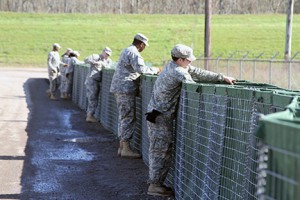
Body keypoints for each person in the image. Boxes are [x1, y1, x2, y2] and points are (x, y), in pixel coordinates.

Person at [146, 44, 236, 197]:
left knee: (159, 150)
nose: (190, 63)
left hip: (157, 114)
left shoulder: (173, 67)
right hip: (160, 117)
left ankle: (155, 182)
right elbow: (193, 85)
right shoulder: (178, 72)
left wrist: (221, 77)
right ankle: (155, 185)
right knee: (161, 151)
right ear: (180, 60)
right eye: (188, 60)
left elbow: (197, 72)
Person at [110, 33, 159, 159]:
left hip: (120, 88)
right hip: (125, 88)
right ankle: (125, 148)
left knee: (124, 116)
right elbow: (141, 69)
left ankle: (122, 146)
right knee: (128, 118)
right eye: (144, 46)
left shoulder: (127, 50)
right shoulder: (133, 52)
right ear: (141, 44)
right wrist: (155, 70)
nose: (144, 48)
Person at [85, 47, 113, 122]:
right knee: (92, 98)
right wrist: (93, 62)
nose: (107, 55)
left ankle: (90, 115)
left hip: (97, 81)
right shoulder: (95, 56)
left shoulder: (108, 60)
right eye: (106, 53)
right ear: (103, 51)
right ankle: (89, 116)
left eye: (108, 55)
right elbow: (86, 60)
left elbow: (108, 67)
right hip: (91, 80)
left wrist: (102, 63)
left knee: (93, 98)